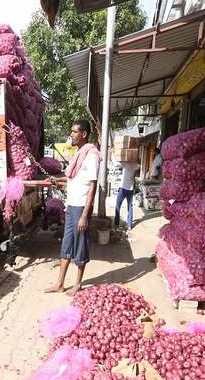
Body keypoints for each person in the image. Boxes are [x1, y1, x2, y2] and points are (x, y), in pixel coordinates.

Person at [45, 120, 101, 296]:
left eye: (75, 132)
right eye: (71, 131)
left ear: (83, 134)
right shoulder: (79, 154)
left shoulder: (91, 155)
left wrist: (85, 214)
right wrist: (57, 181)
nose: (72, 135)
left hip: (80, 208)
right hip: (71, 207)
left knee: (80, 245)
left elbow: (92, 186)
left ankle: (77, 284)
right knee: (67, 244)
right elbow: (72, 179)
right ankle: (60, 283)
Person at [114, 159, 139, 230]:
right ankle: (129, 225)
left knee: (118, 205)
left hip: (123, 188)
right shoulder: (135, 164)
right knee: (130, 207)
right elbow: (139, 166)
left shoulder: (125, 163)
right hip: (130, 189)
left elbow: (117, 163)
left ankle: (116, 223)